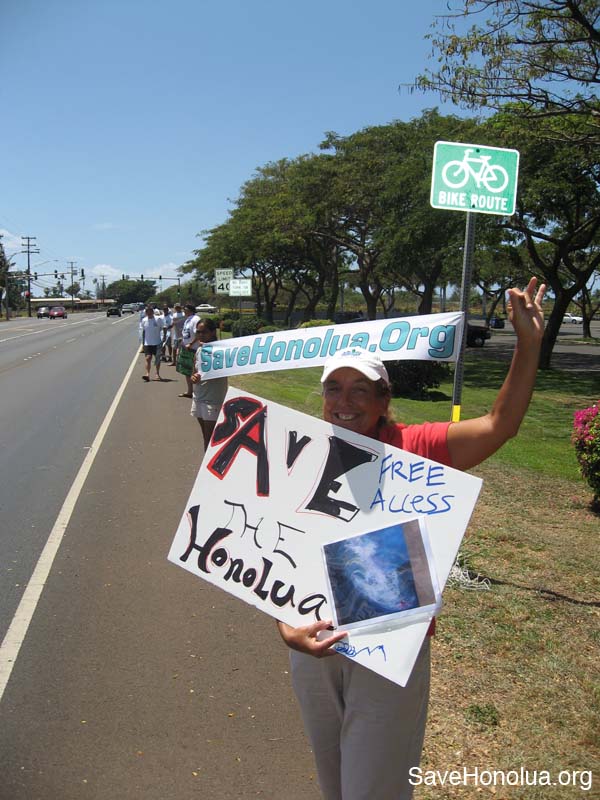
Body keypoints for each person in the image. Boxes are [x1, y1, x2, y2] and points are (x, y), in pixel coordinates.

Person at [276, 278, 546, 800]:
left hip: (388, 645)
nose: (344, 401)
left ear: (383, 399)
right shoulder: (296, 453)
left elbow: (500, 424)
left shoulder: (417, 447)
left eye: (360, 390)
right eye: (335, 388)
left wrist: (528, 344)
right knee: (332, 783)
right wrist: (285, 625)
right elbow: (274, 549)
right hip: (312, 639)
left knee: (373, 788)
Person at [190, 318, 228, 451]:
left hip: (212, 400)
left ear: (213, 332)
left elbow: (224, 370)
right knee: (205, 436)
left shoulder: (221, 351)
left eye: (204, 332)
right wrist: (193, 377)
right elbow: (194, 371)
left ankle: (207, 468)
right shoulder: (200, 350)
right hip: (199, 397)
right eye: (198, 332)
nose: (200, 335)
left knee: (210, 438)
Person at [139, 305, 165, 382]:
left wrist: (163, 338)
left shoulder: (158, 319)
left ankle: (157, 374)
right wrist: (143, 343)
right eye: (147, 311)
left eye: (150, 311)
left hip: (157, 342)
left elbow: (163, 328)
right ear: (146, 312)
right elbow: (143, 332)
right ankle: (147, 374)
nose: (149, 313)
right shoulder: (144, 320)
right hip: (147, 343)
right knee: (148, 358)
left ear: (152, 312)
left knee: (157, 359)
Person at [179, 304, 200, 397]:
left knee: (195, 372)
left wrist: (191, 343)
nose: (184, 310)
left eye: (186, 309)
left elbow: (198, 334)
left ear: (191, 310)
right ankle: (189, 391)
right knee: (187, 371)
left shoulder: (196, 319)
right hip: (186, 348)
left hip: (193, 349)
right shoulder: (188, 319)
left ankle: (197, 392)